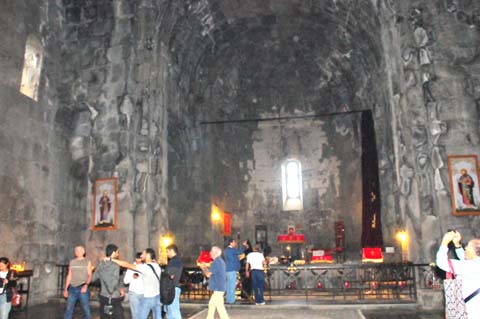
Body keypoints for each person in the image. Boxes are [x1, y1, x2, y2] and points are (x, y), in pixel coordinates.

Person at [436, 230, 480, 317]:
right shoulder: (473, 265)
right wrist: (457, 245)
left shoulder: (469, 266)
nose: (466, 248)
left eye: (468, 246)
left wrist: (445, 242)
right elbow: (465, 261)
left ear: (474, 251)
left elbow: (441, 262)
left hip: (472, 312)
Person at [112, 248, 162, 319]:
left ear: (148, 255)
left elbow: (126, 265)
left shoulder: (145, 268)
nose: (141, 256)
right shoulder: (157, 266)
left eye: (143, 254)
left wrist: (112, 259)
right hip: (157, 297)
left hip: (148, 297)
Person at [92, 244, 125, 319]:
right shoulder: (116, 265)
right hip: (114, 296)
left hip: (103, 296)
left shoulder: (101, 264)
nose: (118, 254)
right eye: (117, 252)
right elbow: (114, 283)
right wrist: (119, 289)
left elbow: (93, 279)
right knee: (118, 316)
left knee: (105, 316)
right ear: (113, 253)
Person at [199, 246, 230, 319]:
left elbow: (208, 274)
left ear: (215, 253)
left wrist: (203, 267)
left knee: (216, 306)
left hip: (218, 287)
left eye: (211, 251)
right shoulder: (219, 261)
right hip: (220, 287)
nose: (210, 253)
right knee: (215, 305)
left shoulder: (216, 262)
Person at [63, 246, 92, 319]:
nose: (78, 252)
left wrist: (86, 285)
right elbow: (69, 275)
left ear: (83, 252)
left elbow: (90, 275)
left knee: (86, 310)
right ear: (75, 252)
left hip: (82, 288)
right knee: (69, 309)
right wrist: (66, 289)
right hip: (72, 288)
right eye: (76, 250)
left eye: (80, 250)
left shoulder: (87, 262)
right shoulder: (72, 262)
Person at [224, 239, 247, 304]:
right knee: (232, 285)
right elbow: (240, 251)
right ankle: (231, 300)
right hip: (232, 270)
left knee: (228, 285)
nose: (235, 244)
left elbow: (233, 258)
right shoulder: (231, 250)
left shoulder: (226, 250)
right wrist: (244, 246)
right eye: (234, 242)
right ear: (230, 243)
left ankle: (228, 299)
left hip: (228, 269)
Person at [123, 252, 144, 319]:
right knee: (136, 314)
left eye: (141, 258)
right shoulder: (131, 268)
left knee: (143, 314)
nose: (140, 260)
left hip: (144, 294)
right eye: (139, 258)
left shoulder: (146, 267)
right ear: (136, 259)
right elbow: (125, 281)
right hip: (134, 293)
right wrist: (132, 277)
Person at [165, 244, 183, 319]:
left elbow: (170, 275)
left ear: (172, 251)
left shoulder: (174, 261)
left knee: (174, 311)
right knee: (170, 312)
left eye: (167, 251)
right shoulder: (177, 261)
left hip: (172, 288)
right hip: (173, 288)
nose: (167, 253)